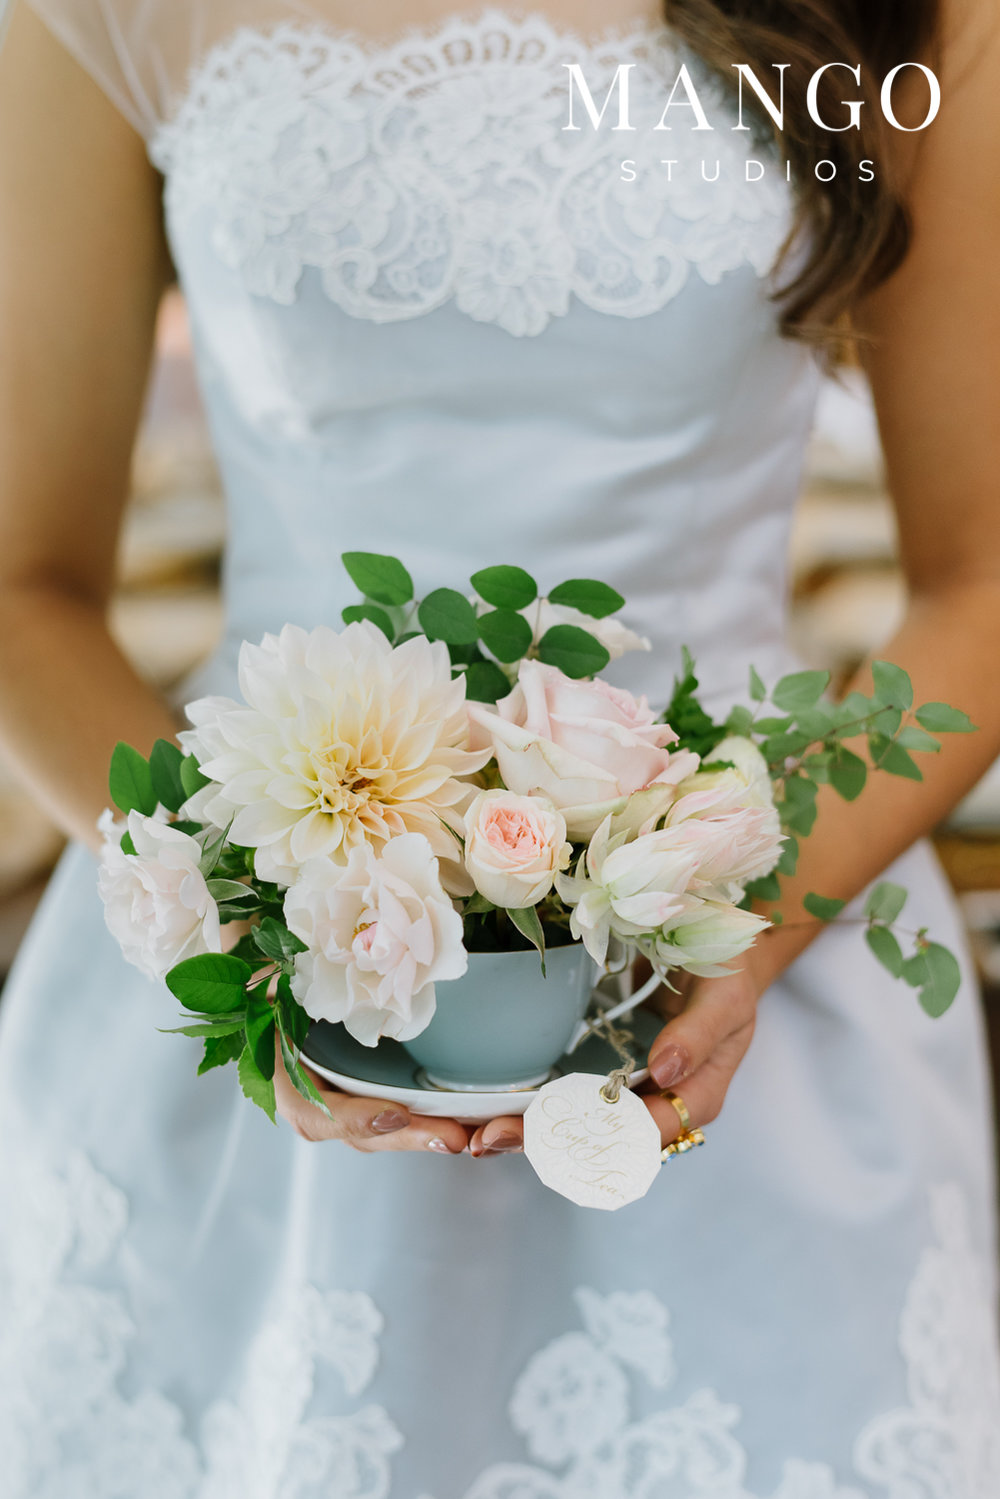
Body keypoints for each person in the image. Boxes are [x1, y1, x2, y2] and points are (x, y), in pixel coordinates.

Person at [1, 1, 999, 1494]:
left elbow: (981, 581)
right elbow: (22, 592)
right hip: (262, 969)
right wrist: (255, 935)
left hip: (761, 972)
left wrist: (753, 915)